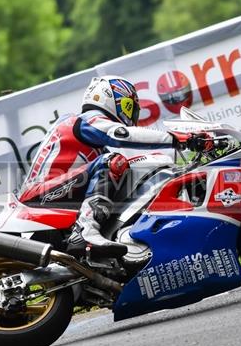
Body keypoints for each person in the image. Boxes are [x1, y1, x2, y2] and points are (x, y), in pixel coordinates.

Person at [18, 75, 213, 256]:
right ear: (108, 99)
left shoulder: (92, 143)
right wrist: (177, 139)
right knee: (113, 162)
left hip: (52, 199)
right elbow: (122, 134)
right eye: (129, 107)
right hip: (39, 199)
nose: (130, 116)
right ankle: (85, 230)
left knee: (124, 170)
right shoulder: (84, 120)